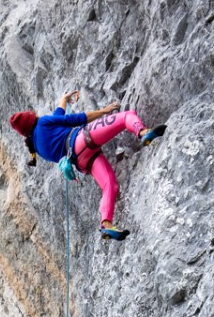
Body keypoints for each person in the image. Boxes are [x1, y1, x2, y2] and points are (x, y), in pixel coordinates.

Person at [9, 90, 165, 240]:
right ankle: (143, 133)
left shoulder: (37, 147)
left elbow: (58, 115)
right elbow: (75, 119)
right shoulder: (43, 122)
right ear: (32, 119)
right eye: (33, 115)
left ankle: (106, 224)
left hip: (81, 162)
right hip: (82, 139)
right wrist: (104, 111)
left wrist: (64, 99)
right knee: (126, 117)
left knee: (109, 185)